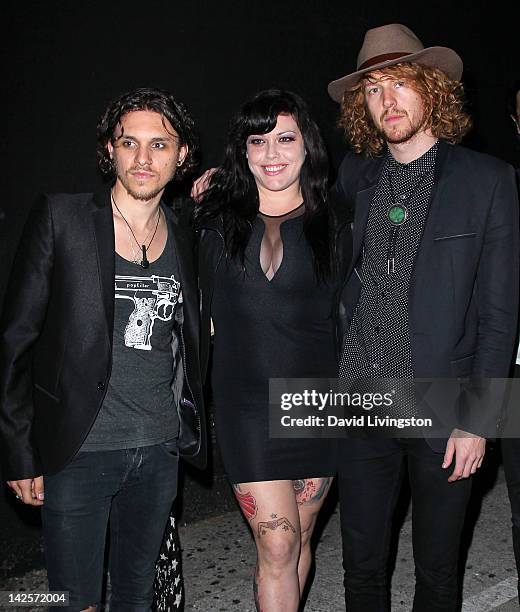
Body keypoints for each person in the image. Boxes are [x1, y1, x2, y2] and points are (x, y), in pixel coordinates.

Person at [327, 24, 519, 611]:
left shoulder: (487, 180)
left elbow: (499, 311)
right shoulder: (356, 176)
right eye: (375, 87)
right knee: (361, 568)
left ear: (431, 88)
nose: (387, 100)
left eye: (401, 81)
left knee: (437, 572)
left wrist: (479, 421)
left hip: (445, 400)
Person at [0, 87, 206, 611]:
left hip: (159, 451)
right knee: (75, 602)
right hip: (78, 451)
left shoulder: (184, 235)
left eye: (159, 145)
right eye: (128, 142)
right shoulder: (61, 219)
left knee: (136, 597)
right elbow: (14, 343)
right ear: (109, 149)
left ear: (182, 156)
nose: (143, 158)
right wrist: (20, 452)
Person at [194, 89, 351, 611]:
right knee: (278, 542)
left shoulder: (336, 221)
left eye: (285, 138)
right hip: (244, 405)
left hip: (315, 402)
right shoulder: (212, 220)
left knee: (300, 539)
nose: (272, 153)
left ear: (308, 145)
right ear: (241, 151)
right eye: (257, 141)